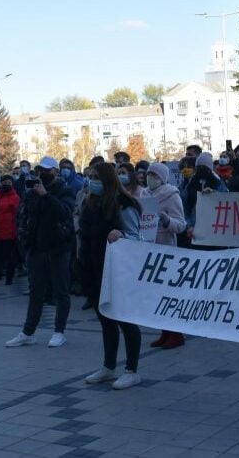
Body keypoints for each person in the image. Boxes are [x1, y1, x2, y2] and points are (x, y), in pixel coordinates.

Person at [80, 162, 144, 390]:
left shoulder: (124, 204)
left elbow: (136, 238)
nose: (92, 181)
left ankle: (131, 369)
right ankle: (109, 366)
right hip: (94, 268)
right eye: (90, 176)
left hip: (118, 270)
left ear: (107, 179)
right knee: (106, 319)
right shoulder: (90, 203)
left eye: (96, 177)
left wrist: (121, 235)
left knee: (125, 320)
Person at [6, 156, 77, 349]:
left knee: (61, 291)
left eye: (47, 171)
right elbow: (22, 217)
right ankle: (28, 332)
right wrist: (25, 243)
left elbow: (65, 212)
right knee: (36, 292)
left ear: (55, 171)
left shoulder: (65, 190)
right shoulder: (30, 193)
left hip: (58, 248)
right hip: (36, 249)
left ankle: (59, 331)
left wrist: (46, 195)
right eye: (40, 171)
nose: (43, 174)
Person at [145, 162, 189, 350]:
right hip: (149, 248)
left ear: (162, 177)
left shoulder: (172, 195)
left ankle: (176, 333)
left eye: (154, 174)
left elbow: (181, 224)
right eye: (149, 174)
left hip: (166, 248)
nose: (150, 177)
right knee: (156, 294)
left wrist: (166, 220)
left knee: (169, 294)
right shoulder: (144, 195)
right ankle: (164, 332)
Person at [181, 153, 227, 244]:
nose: (201, 170)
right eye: (199, 167)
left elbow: (227, 201)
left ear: (210, 169)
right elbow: (183, 208)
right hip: (195, 232)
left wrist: (214, 194)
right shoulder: (190, 185)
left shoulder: (218, 184)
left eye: (204, 167)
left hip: (215, 232)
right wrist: (189, 226)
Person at [0, 174, 21, 286]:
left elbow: (17, 214)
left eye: (8, 182)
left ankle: (9, 277)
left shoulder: (15, 197)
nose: (6, 184)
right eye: (4, 182)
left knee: (9, 257)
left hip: (8, 232)